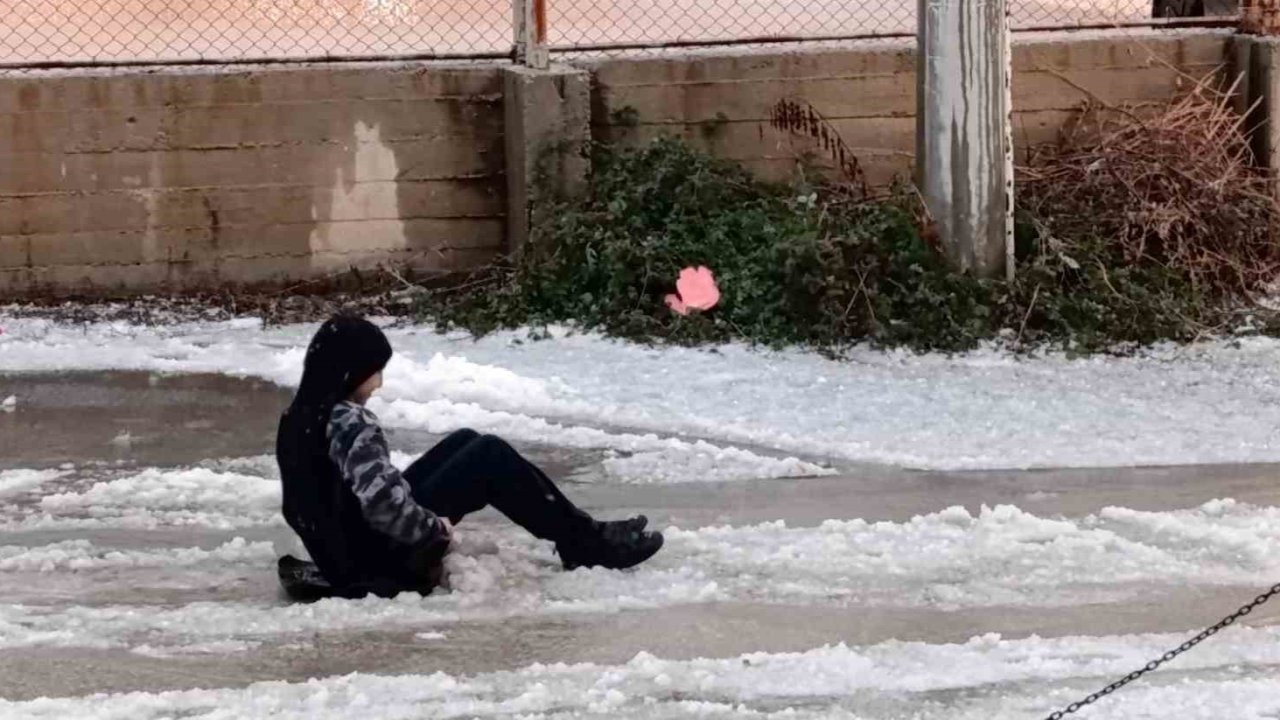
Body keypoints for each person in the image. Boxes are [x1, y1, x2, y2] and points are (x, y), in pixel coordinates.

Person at [275, 315, 663, 599]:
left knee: (467, 440)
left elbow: (300, 507)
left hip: (349, 553)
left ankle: (578, 535)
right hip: (379, 562)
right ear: (347, 372)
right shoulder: (347, 422)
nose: (379, 384)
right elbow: (382, 508)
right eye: (373, 372)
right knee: (489, 456)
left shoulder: (301, 417)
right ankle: (584, 542)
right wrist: (434, 529)